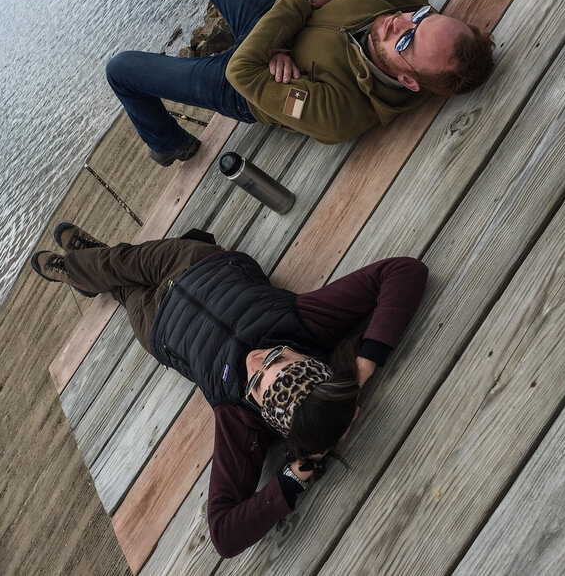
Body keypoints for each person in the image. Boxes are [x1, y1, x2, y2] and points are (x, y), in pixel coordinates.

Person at [31, 224, 428, 557]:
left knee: (125, 290)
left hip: (159, 328)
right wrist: (360, 373)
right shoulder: (306, 322)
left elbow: (223, 534)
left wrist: (296, 475)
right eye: (277, 360)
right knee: (119, 262)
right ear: (300, 356)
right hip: (194, 264)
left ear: (258, 407)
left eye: (257, 384)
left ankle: (79, 268)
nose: (257, 361)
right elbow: (403, 272)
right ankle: (81, 265)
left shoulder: (238, 419)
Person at [106, 0, 494, 166]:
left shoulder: (341, 113)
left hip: (243, 91)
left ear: (407, 80)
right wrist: (283, 36)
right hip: (271, 22)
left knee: (120, 69)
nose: (399, 22)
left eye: (406, 41)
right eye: (422, 18)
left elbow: (242, 72)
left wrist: (305, 1)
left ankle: (171, 143)